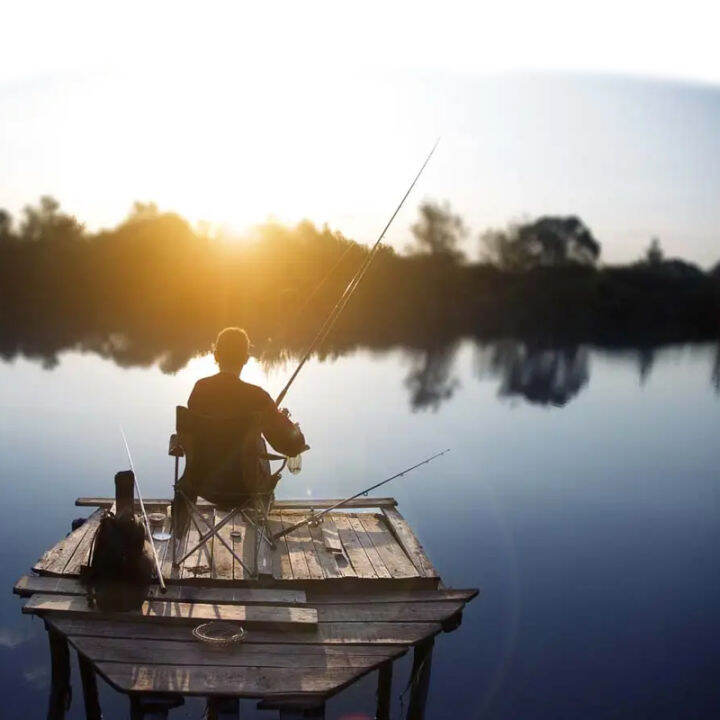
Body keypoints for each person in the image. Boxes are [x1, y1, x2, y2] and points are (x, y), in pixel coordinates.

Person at [188, 327, 307, 458]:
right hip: (242, 478)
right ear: (246, 358)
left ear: (216, 355)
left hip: (200, 476)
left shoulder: (200, 389)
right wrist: (290, 426)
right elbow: (291, 447)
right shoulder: (258, 397)